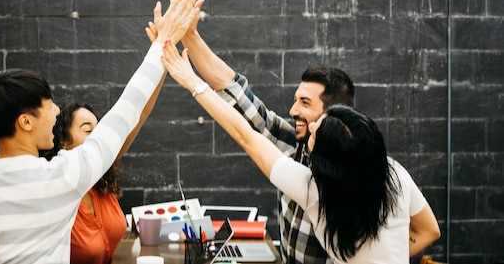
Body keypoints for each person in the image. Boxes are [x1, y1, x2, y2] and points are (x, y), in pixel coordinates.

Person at [0, 0, 198, 263]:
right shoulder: (61, 178)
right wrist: (164, 41)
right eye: (48, 106)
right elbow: (128, 108)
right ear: (26, 122)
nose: (55, 112)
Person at [159, 41, 441, 263]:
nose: (301, 121)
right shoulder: (394, 173)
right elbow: (429, 230)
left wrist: (193, 84)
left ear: (326, 157)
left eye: (316, 133)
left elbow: (245, 136)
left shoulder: (314, 191)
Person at [147, 0, 355, 264]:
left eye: (305, 103)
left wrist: (191, 81)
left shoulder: (346, 176)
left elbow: (246, 135)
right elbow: (236, 92)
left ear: (333, 115)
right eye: (295, 100)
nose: (293, 110)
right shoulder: (297, 145)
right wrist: (188, 35)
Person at [41, 98, 163, 264]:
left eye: (100, 131)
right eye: (88, 131)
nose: (99, 139)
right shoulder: (53, 195)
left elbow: (140, 112)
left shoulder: (98, 182)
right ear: (64, 141)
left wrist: (165, 71)